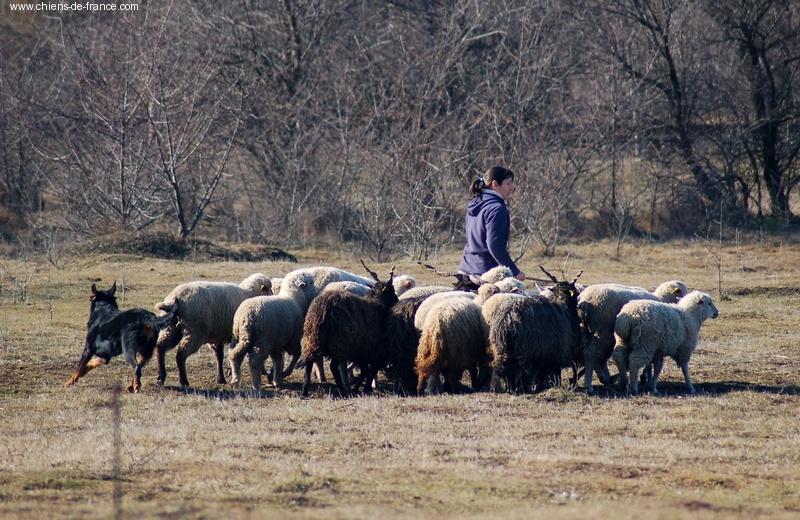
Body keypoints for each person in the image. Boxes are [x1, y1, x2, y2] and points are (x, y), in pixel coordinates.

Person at [458, 166, 526, 281]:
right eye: (508, 184)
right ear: (495, 184)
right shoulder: (497, 209)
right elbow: (495, 245)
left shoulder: (474, 203)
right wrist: (515, 271)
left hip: (464, 271)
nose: (512, 188)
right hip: (486, 275)